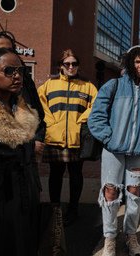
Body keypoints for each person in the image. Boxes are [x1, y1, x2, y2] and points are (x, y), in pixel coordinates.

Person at [88, 45, 140, 256]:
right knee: (111, 194)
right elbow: (96, 116)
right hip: (113, 151)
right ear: (130, 62)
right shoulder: (113, 86)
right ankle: (110, 238)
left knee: (135, 193)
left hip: (139, 152)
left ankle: (131, 235)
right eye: (137, 61)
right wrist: (108, 139)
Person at [0, 48, 40, 256]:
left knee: (25, 253)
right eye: (9, 70)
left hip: (26, 199)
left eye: (20, 70)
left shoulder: (23, 107)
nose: (17, 76)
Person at [37, 49, 98, 225]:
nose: (71, 67)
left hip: (76, 137)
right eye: (67, 64)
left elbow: (97, 104)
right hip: (54, 136)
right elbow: (39, 104)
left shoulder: (87, 86)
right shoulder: (49, 84)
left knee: (76, 174)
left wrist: (82, 119)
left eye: (74, 64)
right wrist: (51, 121)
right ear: (61, 66)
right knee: (55, 174)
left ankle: (73, 209)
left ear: (78, 66)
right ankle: (55, 209)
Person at [0, 29, 46, 161]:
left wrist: (36, 141)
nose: (7, 54)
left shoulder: (25, 81)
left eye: (10, 50)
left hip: (24, 169)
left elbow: (39, 115)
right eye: (0, 50)